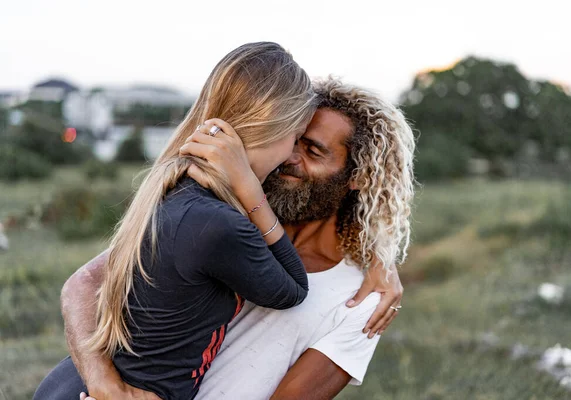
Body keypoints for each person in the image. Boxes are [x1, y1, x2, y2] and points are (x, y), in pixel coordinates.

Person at [40, 77, 414, 400]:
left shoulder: (362, 303)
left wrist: (382, 256)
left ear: (359, 176)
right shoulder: (222, 217)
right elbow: (85, 282)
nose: (290, 157)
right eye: (291, 138)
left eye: (313, 150)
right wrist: (104, 384)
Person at [34, 41, 317, 400]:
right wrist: (251, 190)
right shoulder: (216, 223)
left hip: (70, 386)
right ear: (272, 128)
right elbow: (293, 290)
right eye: (295, 138)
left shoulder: (174, 188)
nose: (293, 155)